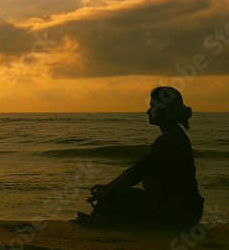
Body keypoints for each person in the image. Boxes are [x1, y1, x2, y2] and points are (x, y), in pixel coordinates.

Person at [77, 86, 204, 228]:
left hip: (180, 210)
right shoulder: (173, 137)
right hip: (182, 208)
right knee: (115, 196)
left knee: (114, 200)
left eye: (152, 106)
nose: (148, 111)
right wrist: (107, 188)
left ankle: (105, 221)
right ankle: (105, 218)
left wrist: (106, 193)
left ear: (166, 111)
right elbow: (136, 170)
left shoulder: (169, 142)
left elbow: (135, 174)